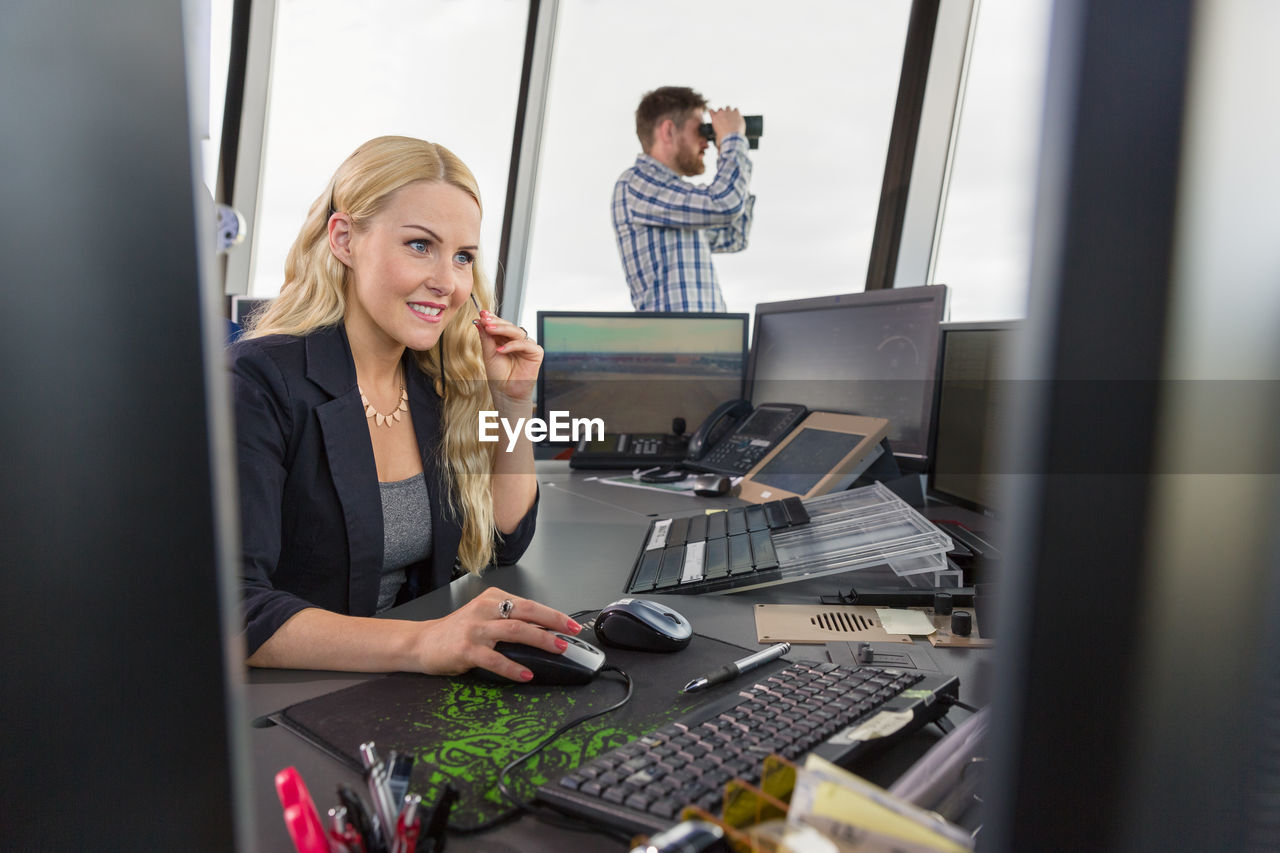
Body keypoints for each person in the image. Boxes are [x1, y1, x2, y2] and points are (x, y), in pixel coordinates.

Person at [230, 136, 580, 679]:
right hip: (286, 698)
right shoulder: (257, 382)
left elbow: (504, 543)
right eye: (420, 245)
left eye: (463, 257)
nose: (448, 282)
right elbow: (233, 610)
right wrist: (424, 643)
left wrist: (512, 404)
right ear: (344, 239)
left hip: (399, 686)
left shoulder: (433, 385)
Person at [612, 86, 756, 312]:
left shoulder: (675, 201)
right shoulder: (637, 183)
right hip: (673, 342)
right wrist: (733, 142)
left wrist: (729, 151)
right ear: (669, 131)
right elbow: (725, 204)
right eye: (700, 130)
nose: (706, 142)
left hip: (703, 341)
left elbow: (734, 237)